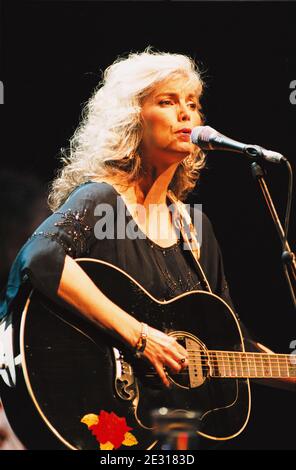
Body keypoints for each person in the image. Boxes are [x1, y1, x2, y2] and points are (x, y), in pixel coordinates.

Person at [0, 49, 294, 450]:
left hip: (160, 435)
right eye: (167, 101)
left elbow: (231, 342)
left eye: (192, 104)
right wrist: (138, 336)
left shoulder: (197, 229)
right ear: (132, 120)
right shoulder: (101, 201)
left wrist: (287, 369)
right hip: (94, 407)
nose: (186, 114)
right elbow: (40, 259)